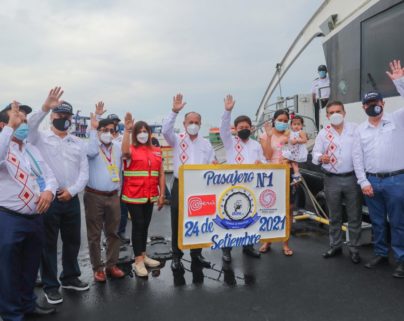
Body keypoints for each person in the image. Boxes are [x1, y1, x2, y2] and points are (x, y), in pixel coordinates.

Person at [28, 87, 89, 304]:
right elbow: (30, 125)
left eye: (66, 116)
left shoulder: (77, 143)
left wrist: (72, 190)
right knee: (48, 244)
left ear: (71, 119)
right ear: (52, 116)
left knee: (73, 241)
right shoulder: (39, 138)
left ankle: (70, 277)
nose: (62, 119)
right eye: (58, 115)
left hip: (71, 199)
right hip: (48, 199)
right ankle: (50, 285)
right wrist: (45, 107)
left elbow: (84, 172)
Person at [0, 102, 57, 321]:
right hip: (9, 218)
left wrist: (49, 192)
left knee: (30, 267)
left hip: (34, 218)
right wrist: (8, 129)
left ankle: (27, 304)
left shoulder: (31, 149)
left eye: (24, 120)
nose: (23, 123)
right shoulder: (5, 148)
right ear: (4, 124)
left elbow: (49, 175)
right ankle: (11, 313)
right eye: (17, 119)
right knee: (8, 269)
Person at [352, 59, 404, 278]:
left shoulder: (397, 120)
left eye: (376, 102)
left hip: (396, 181)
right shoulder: (360, 130)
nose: (373, 105)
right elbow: (357, 158)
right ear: (363, 107)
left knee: (399, 222)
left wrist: (400, 81)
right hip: (372, 181)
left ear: (382, 103)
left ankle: (401, 258)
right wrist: (363, 181)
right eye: (368, 103)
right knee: (378, 221)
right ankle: (381, 253)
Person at [162, 93, 215, 271]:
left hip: (200, 186)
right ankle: (176, 256)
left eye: (196, 122)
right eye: (189, 122)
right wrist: (174, 112)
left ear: (200, 124)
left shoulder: (206, 143)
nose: (193, 125)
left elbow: (212, 164)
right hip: (180, 185)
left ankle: (196, 253)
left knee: (199, 220)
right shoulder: (176, 139)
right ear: (184, 124)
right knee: (177, 220)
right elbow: (165, 131)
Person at [312, 101, 362, 264]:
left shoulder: (355, 129)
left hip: (352, 178)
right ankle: (335, 245)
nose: (335, 114)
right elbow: (315, 154)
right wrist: (321, 157)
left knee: (354, 215)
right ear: (327, 116)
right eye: (331, 112)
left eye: (338, 111)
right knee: (334, 216)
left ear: (344, 112)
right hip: (331, 178)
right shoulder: (323, 133)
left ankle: (354, 248)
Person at [219, 94, 266, 262]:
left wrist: (263, 164)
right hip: (233, 186)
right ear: (235, 129)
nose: (243, 128)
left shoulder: (257, 145)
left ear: (251, 128)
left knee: (250, 217)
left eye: (246, 126)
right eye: (240, 127)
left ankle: (248, 246)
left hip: (252, 187)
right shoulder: (230, 142)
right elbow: (223, 129)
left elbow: (265, 162)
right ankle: (226, 250)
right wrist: (227, 111)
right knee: (229, 217)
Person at [84, 110, 125, 282]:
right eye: (105, 130)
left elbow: (119, 169)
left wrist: (118, 191)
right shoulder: (92, 146)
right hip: (94, 195)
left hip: (113, 195)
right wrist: (94, 130)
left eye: (112, 130)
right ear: (98, 131)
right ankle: (97, 267)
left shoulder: (116, 148)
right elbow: (92, 151)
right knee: (94, 234)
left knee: (113, 232)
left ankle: (111, 264)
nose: (109, 133)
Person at [121, 114, 165, 277]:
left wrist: (161, 195)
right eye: (139, 131)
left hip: (149, 195)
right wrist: (127, 130)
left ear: (150, 133)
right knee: (138, 224)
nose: (142, 133)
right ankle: (138, 261)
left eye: (145, 130)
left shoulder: (156, 151)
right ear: (135, 134)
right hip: (134, 194)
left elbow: (160, 174)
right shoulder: (131, 149)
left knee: (145, 225)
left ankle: (143, 254)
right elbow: (124, 152)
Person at [259, 109, 294, 256]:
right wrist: (268, 136)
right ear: (274, 120)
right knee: (269, 208)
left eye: (286, 121)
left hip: (288, 173)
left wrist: (291, 159)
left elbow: (298, 155)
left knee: (288, 210)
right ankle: (267, 240)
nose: (283, 123)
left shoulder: (291, 135)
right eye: (280, 120)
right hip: (271, 175)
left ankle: (285, 242)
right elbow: (267, 155)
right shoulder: (264, 135)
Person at [281, 115, 308, 183]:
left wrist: (297, 140)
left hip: (298, 151)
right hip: (292, 150)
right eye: (294, 124)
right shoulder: (290, 132)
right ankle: (296, 176)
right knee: (292, 162)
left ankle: (297, 176)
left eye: (298, 124)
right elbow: (286, 140)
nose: (296, 126)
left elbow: (305, 140)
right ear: (291, 125)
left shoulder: (301, 132)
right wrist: (283, 143)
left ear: (302, 125)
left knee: (294, 163)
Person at [312, 64, 330, 130]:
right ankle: (318, 130)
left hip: (328, 100)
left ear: (326, 71)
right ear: (318, 72)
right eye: (320, 71)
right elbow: (313, 93)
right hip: (318, 101)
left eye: (323, 70)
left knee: (328, 115)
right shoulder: (315, 81)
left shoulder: (330, 80)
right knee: (318, 117)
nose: (321, 72)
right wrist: (313, 102)